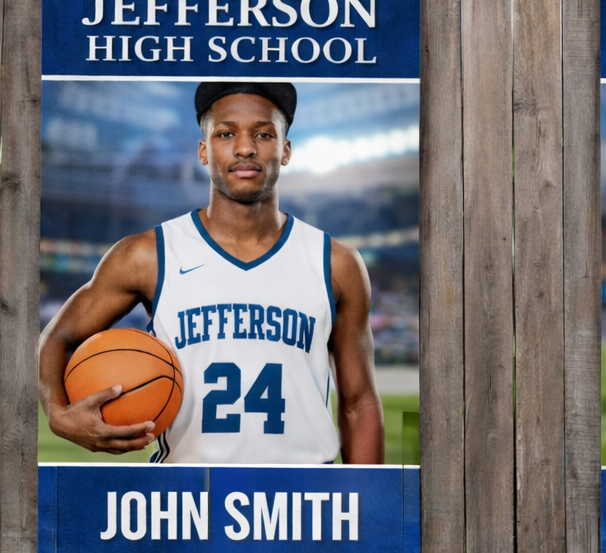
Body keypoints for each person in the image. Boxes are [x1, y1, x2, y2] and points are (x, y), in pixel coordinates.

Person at [39, 81, 384, 464]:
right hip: (186, 501)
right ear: (204, 151)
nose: (245, 147)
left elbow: (358, 404)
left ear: (285, 151)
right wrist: (57, 412)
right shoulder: (148, 255)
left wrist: (366, 511)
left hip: (303, 499)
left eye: (264, 134)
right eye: (225, 133)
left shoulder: (335, 262)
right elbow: (59, 336)